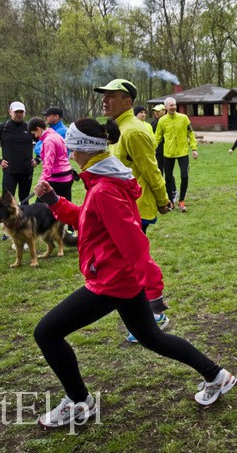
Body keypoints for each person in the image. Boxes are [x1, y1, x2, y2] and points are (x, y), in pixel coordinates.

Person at [33, 118, 236, 428]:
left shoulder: (103, 188)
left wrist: (154, 290)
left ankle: (79, 402)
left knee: (46, 332)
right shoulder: (102, 180)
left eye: (73, 149)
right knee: (151, 337)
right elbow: (90, 220)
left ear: (84, 150)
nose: (71, 155)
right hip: (120, 279)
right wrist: (54, 202)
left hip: (111, 282)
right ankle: (216, 375)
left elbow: (134, 243)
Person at [94, 78, 171, 330]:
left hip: (137, 208)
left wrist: (163, 200)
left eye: (111, 96)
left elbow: (151, 169)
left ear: (127, 102)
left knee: (132, 267)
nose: (105, 101)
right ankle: (145, 319)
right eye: (104, 96)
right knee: (127, 266)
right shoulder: (117, 129)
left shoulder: (134, 131)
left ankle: (151, 318)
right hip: (120, 209)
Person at [0, 101, 37, 205]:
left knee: (24, 200)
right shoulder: (3, 127)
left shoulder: (29, 128)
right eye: (16, 112)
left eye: (21, 112)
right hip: (10, 171)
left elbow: (44, 143)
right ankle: (8, 221)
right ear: (10, 112)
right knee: (7, 201)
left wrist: (38, 159)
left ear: (25, 113)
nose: (19, 114)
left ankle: (24, 221)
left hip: (26, 170)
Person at [155, 97, 198, 212]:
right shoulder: (162, 121)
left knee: (184, 176)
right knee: (168, 178)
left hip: (183, 152)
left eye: (174, 105)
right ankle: (171, 202)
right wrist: (152, 148)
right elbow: (157, 137)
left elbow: (191, 133)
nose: (173, 107)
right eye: (171, 105)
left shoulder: (184, 118)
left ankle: (181, 201)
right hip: (168, 153)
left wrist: (194, 148)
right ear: (166, 107)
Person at [28, 117, 74, 204]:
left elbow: (48, 164)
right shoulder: (57, 136)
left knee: (39, 209)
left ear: (38, 129)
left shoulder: (48, 141)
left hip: (57, 180)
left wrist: (41, 183)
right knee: (65, 209)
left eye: (34, 133)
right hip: (67, 177)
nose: (35, 136)